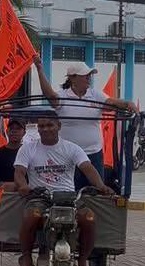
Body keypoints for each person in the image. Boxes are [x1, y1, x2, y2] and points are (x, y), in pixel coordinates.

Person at [14, 111, 113, 266]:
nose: (45, 129)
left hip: (68, 198)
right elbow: (19, 172)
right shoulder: (28, 148)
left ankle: (82, 263)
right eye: (41, 126)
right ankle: (27, 259)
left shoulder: (72, 148)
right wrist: (23, 186)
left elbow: (87, 168)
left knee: (88, 217)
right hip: (40, 196)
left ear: (59, 126)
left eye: (49, 125)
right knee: (32, 216)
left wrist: (101, 186)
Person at [33, 55, 137, 184]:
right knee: (69, 191)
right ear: (72, 78)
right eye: (85, 75)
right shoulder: (63, 95)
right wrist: (39, 69)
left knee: (96, 191)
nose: (89, 77)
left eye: (89, 74)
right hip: (68, 155)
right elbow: (49, 95)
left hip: (93, 153)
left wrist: (127, 104)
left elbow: (111, 102)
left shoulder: (95, 94)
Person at [0, 117, 26, 191]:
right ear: (7, 131)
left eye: (18, 128)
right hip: (5, 196)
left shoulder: (29, 152)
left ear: (24, 133)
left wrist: (22, 185)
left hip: (27, 195)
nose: (14, 131)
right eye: (11, 128)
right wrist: (2, 185)